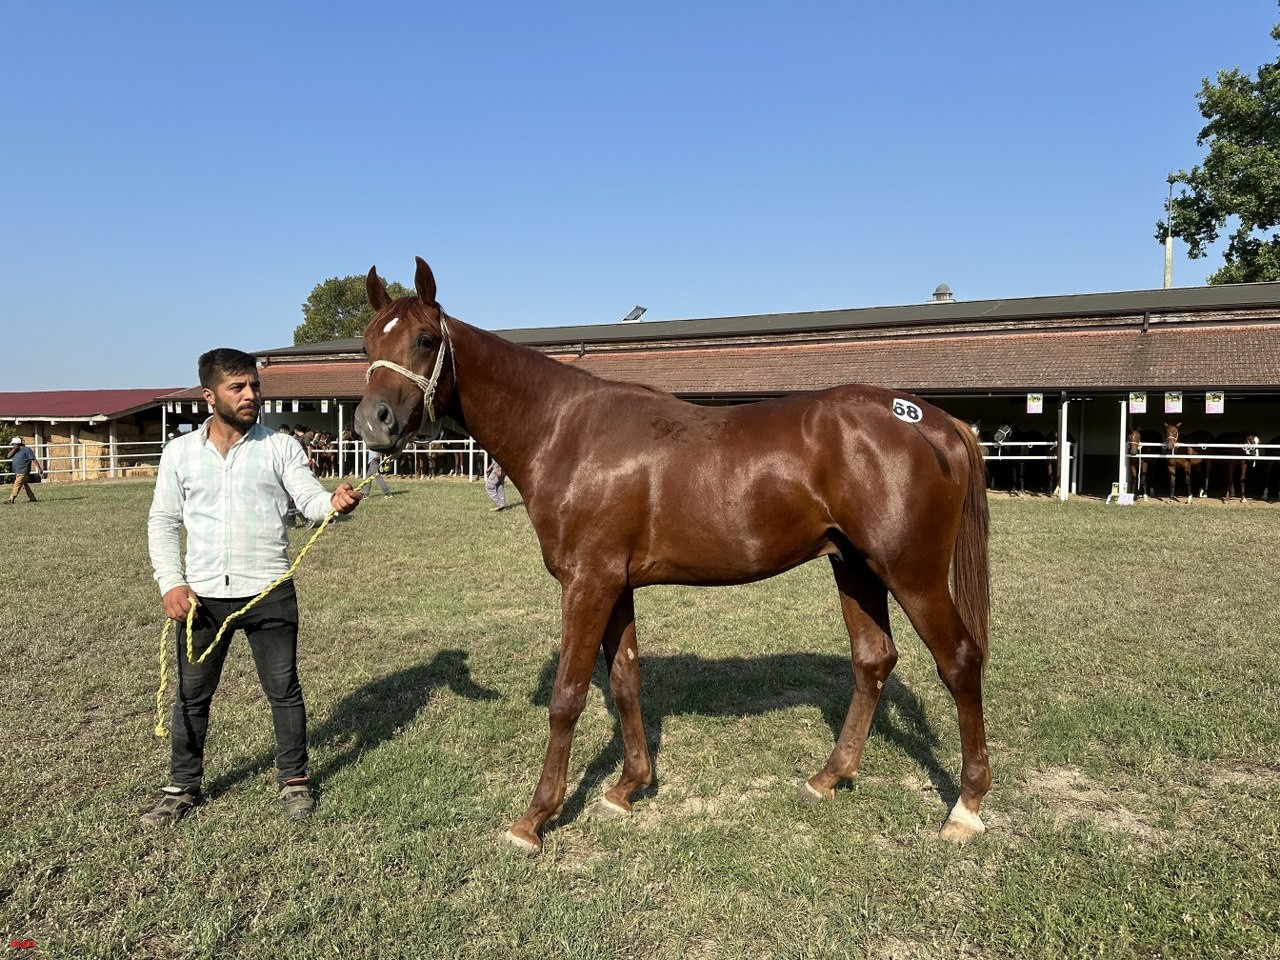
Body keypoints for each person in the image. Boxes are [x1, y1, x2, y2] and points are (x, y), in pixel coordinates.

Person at [143, 348, 364, 827]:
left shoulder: (280, 446)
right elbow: (162, 521)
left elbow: (308, 500)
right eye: (237, 387)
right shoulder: (179, 453)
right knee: (191, 696)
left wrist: (335, 502)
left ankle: (295, 781)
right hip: (201, 598)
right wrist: (170, 583)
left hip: (269, 590)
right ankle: (182, 785)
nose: (250, 396)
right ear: (209, 395)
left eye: (254, 386)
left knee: (283, 690)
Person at [5, 437, 43, 504]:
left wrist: (39, 468)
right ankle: (32, 498)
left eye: (14, 444)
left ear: (18, 444)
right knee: (25, 485)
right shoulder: (15, 450)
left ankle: (11, 499)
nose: (13, 446)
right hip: (17, 471)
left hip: (23, 471)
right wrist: (13, 449)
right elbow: (8, 456)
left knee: (17, 485)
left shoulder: (27, 450)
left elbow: (33, 459)